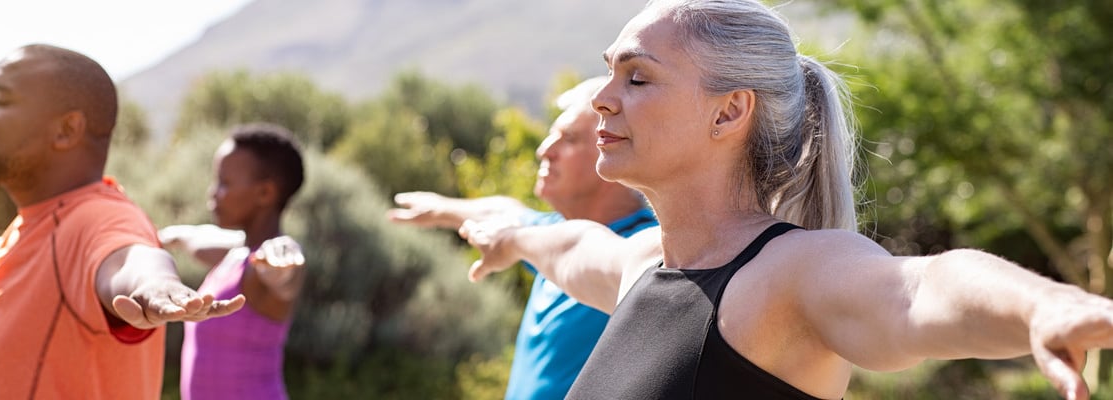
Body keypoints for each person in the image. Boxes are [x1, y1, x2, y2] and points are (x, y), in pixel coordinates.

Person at [457, 1, 1113, 399]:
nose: (601, 96)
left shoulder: (786, 277)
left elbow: (917, 290)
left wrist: (1044, 304)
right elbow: (562, 244)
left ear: (729, 112)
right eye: (610, 71)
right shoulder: (645, 266)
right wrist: (501, 230)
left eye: (636, 76)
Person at [0, 44, 244, 399]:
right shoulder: (35, 229)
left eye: (0, 99)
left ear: (66, 130)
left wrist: (156, 284)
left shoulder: (98, 217)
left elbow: (129, 258)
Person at [388, 77, 658, 399]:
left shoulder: (645, 254)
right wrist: (443, 208)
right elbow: (502, 212)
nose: (545, 150)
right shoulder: (546, 236)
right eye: (550, 135)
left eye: (568, 138)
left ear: (614, 151)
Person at [160, 123, 307, 400]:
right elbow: (199, 238)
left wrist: (283, 264)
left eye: (225, 183)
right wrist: (169, 236)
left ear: (265, 193)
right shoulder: (236, 253)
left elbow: (286, 276)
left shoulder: (265, 264)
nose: (213, 193)